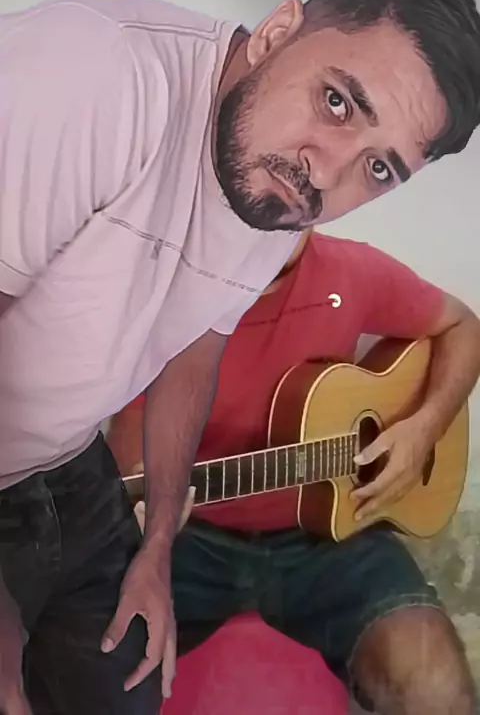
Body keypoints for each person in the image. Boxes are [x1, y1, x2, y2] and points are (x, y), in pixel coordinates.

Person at [1, 0, 480, 715]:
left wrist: (158, 546)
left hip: (69, 468)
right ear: (277, 31)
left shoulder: (274, 193)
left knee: (128, 685)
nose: (328, 172)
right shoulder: (95, 74)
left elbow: (194, 352)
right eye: (336, 101)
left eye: (379, 168)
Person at [109, 229, 480, 715]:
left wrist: (424, 428)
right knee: (88, 672)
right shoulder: (165, 291)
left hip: (335, 541)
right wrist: (144, 505)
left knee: (437, 690)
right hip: (189, 541)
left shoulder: (353, 271)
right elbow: (129, 453)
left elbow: (462, 326)